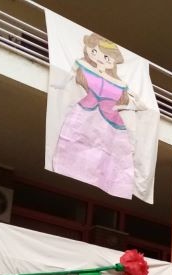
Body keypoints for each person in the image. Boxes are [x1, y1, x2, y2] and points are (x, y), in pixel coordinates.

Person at [52, 33, 137, 199]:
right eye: (94, 51)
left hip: (111, 123)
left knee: (112, 159)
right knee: (74, 144)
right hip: (83, 112)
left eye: (106, 57)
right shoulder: (84, 68)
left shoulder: (120, 84)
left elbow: (133, 103)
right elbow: (65, 80)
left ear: (113, 61)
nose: (99, 58)